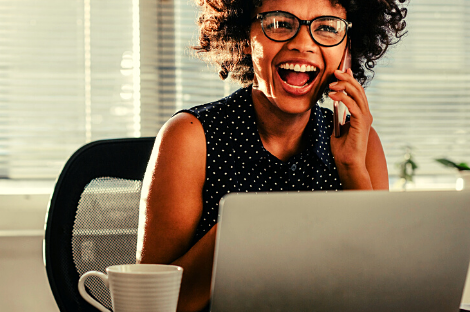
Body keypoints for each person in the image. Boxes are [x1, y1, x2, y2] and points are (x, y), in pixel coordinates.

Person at [136, 0, 408, 311]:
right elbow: (149, 302)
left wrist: (351, 168)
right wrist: (243, 228)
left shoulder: (361, 144)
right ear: (244, 36)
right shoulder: (189, 137)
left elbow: (381, 291)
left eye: (327, 27)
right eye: (279, 24)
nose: (303, 44)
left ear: (347, 49)